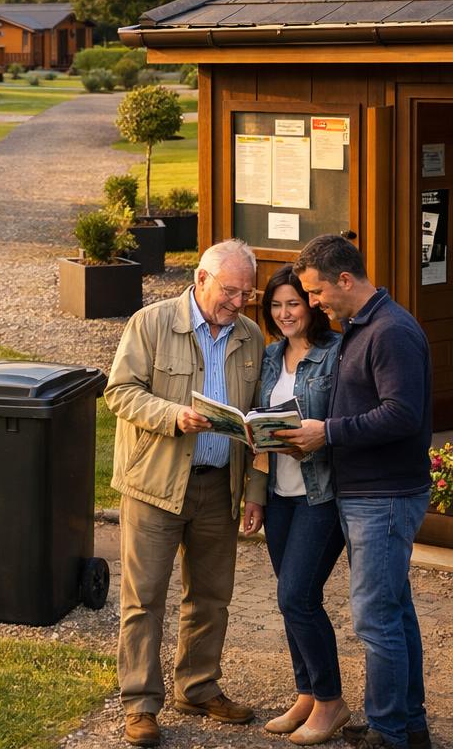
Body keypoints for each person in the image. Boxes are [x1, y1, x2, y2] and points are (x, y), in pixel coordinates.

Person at [105, 238, 264, 747]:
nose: (238, 303)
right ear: (200, 279)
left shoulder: (251, 338)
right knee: (144, 598)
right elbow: (119, 392)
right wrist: (174, 417)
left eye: (247, 294)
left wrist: (254, 490)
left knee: (212, 596)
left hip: (219, 486)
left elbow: (258, 423)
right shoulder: (149, 323)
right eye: (231, 291)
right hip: (153, 485)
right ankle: (140, 704)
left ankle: (197, 688)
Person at [278, 235, 432, 749]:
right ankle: (408, 727)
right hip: (367, 494)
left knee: (376, 620)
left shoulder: (391, 332)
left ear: (345, 280)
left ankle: (389, 734)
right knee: (395, 613)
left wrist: (329, 432)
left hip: (384, 498)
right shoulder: (363, 328)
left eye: (317, 292)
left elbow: (403, 415)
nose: (314, 303)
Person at [247, 265, 347, 745]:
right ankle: (306, 694)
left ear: (311, 305)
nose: (285, 313)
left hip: (320, 495)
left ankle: (331, 703)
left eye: (294, 303)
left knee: (296, 597)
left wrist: (314, 438)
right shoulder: (269, 357)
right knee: (292, 600)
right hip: (279, 495)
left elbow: (346, 423)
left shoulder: (335, 354)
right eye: (277, 305)